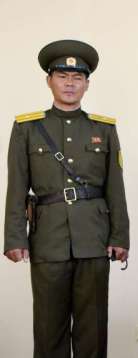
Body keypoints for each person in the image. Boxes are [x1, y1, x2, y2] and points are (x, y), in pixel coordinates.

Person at [3, 39, 129, 358]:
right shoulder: (27, 129)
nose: (69, 83)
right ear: (49, 81)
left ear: (87, 84)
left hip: (94, 239)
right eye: (62, 76)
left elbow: (116, 187)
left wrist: (120, 236)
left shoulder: (105, 129)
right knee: (48, 331)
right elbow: (16, 187)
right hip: (48, 239)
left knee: (92, 331)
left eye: (77, 78)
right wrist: (14, 237)